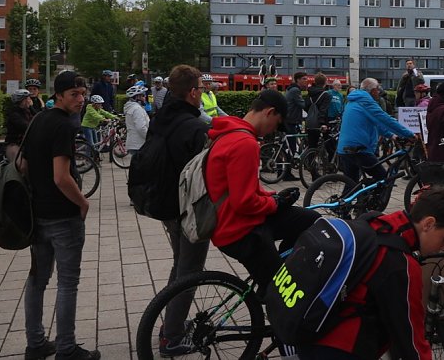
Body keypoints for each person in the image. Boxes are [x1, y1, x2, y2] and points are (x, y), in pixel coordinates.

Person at [300, 187, 444, 360]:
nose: (443, 247)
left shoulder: (377, 221)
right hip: (340, 349)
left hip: (312, 330)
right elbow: (411, 338)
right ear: (428, 224)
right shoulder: (402, 265)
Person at [209, 90, 320, 300]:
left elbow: (241, 187)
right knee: (287, 295)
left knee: (311, 220)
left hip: (236, 219)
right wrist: (274, 204)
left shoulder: (229, 133)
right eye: (277, 124)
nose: (274, 131)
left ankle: (277, 268)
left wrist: (272, 196)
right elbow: (243, 202)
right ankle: (274, 289)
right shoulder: (245, 143)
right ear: (269, 112)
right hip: (239, 230)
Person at [21, 71, 99, 360]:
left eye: (83, 93)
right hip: (63, 217)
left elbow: (24, 165)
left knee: (38, 280)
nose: (81, 100)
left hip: (37, 214)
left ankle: (36, 343)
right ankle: (66, 348)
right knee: (67, 282)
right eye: (74, 95)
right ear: (59, 95)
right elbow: (61, 177)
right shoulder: (64, 126)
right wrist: (82, 203)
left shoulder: (38, 119)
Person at [145, 65, 210, 356]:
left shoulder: (161, 118)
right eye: (201, 88)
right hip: (187, 208)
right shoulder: (194, 126)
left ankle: (168, 322)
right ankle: (172, 336)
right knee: (190, 270)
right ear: (192, 92)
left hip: (164, 202)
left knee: (180, 263)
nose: (203, 92)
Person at [337, 78, 415, 184]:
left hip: (344, 147)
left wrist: (392, 136)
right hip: (359, 149)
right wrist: (409, 134)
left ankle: (347, 200)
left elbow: (375, 123)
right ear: (373, 90)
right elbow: (385, 119)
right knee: (383, 178)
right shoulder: (366, 101)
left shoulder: (354, 100)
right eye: (378, 89)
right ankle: (374, 199)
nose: (379, 92)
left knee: (351, 184)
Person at [5, 89, 34, 163]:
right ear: (23, 100)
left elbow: (38, 117)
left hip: (26, 144)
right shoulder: (14, 114)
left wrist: (31, 108)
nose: (30, 100)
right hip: (14, 144)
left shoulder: (27, 111)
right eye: (28, 98)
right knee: (21, 165)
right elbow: (26, 127)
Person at [123, 86, 149, 156]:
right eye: (143, 95)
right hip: (139, 144)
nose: (145, 98)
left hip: (134, 143)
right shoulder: (137, 109)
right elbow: (141, 127)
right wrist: (149, 137)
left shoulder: (132, 107)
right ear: (137, 97)